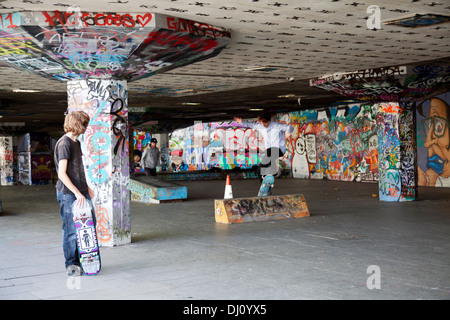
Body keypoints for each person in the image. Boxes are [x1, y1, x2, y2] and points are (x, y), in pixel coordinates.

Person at [54, 111, 95, 277]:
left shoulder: (75, 142)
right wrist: (78, 193)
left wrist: (87, 188)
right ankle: (71, 264)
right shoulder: (64, 144)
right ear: (78, 124)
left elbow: (77, 168)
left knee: (89, 227)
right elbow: (62, 173)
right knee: (71, 230)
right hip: (69, 194)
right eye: (85, 124)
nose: (86, 127)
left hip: (80, 192)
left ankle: (83, 259)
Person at [234, 112, 293, 181]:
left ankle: (272, 171)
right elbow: (251, 125)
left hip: (279, 149)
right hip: (269, 151)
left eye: (265, 123)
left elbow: (289, 127)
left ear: (269, 121)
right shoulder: (260, 126)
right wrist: (242, 122)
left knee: (271, 153)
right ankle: (265, 188)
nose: (263, 125)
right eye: (262, 123)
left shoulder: (276, 126)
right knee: (259, 171)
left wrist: (288, 133)